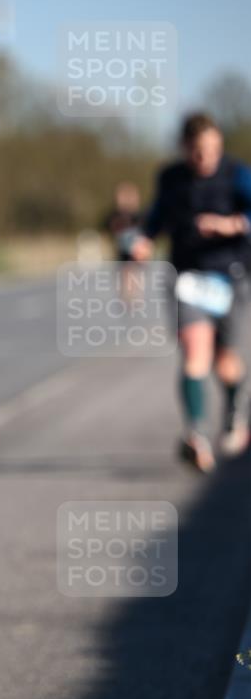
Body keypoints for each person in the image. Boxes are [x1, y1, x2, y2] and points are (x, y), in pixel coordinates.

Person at [131, 113, 251, 472]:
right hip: (188, 278)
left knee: (225, 361)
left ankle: (234, 410)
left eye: (213, 150)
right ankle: (196, 435)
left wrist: (232, 224)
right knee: (194, 352)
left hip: (231, 276)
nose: (206, 159)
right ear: (185, 149)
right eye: (199, 152)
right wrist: (145, 240)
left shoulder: (237, 173)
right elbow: (156, 217)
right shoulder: (171, 178)